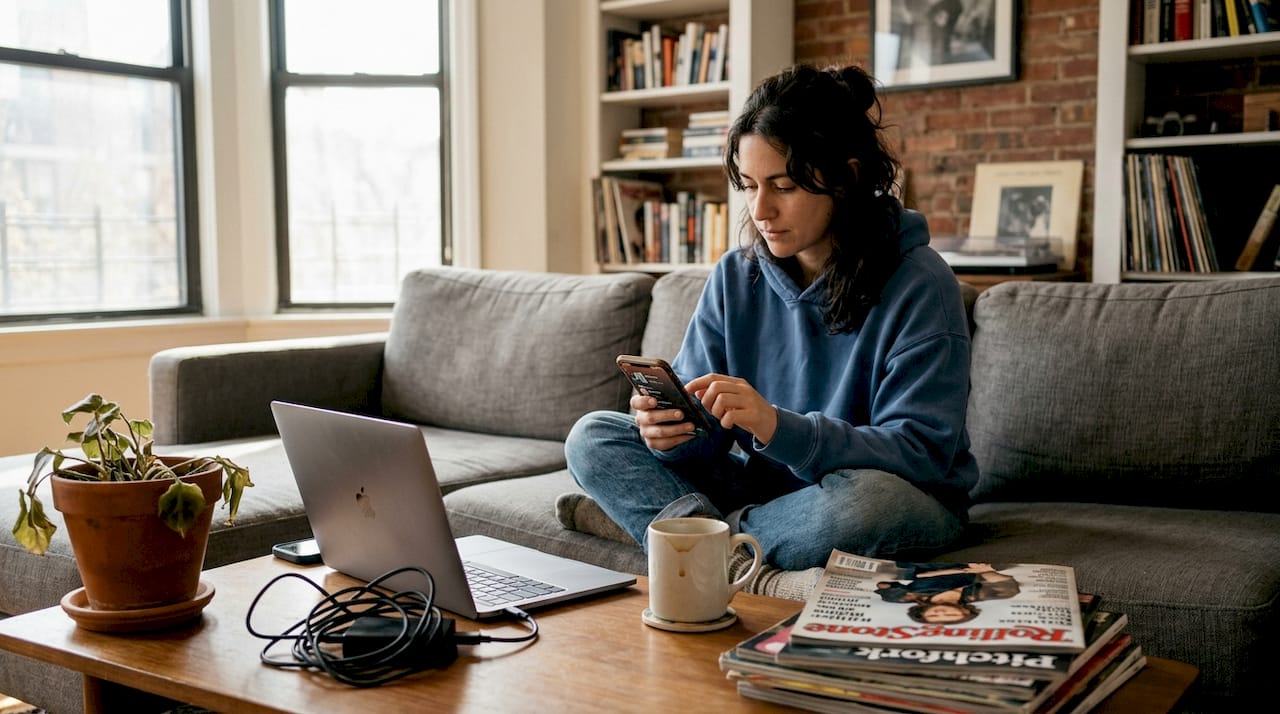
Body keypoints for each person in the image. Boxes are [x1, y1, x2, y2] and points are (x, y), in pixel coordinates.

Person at [564, 63, 977, 573]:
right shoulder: (735, 276)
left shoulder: (921, 283)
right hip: (763, 490)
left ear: (846, 178)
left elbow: (921, 453)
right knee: (594, 436)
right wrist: (670, 435)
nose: (761, 210)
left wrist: (779, 427)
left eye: (783, 186)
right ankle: (723, 547)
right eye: (749, 185)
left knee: (869, 504)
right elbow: (706, 439)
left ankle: (685, 540)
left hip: (890, 496)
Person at [875, 562, 1020, 624]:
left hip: (919, 566)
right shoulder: (976, 595)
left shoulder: (906, 597)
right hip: (968, 566)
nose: (941, 612)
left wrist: (887, 587)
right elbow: (1006, 584)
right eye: (950, 615)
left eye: (933, 616)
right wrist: (984, 571)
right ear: (965, 612)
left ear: (923, 614)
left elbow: (884, 585)